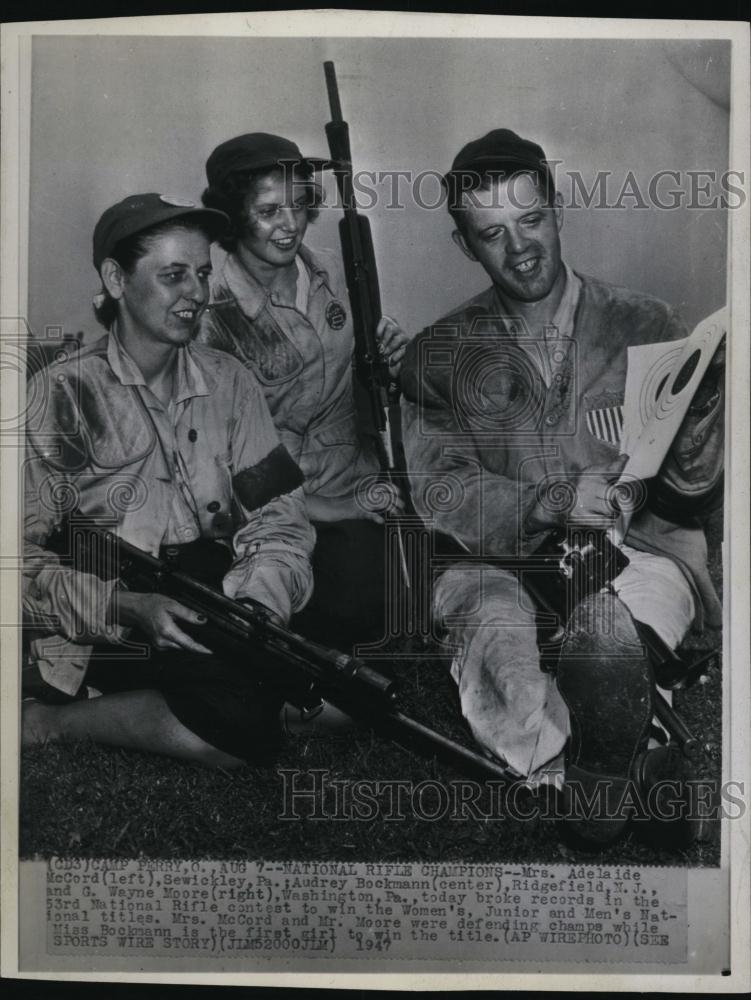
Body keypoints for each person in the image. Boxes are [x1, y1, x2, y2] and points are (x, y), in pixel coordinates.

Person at [399, 130, 725, 843]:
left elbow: (691, 491)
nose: (519, 248)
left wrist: (702, 425)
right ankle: (625, 762)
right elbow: (439, 490)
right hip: (497, 563)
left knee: (614, 623)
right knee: (498, 650)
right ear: (465, 246)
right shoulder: (435, 356)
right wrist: (545, 501)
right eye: (491, 233)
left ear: (557, 208)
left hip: (631, 549)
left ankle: (602, 721)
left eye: (531, 219)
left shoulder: (650, 325)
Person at [22, 193, 315, 768]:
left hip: (216, 592)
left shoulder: (231, 382)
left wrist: (259, 603)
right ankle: (47, 722)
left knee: (342, 689)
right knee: (234, 735)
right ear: (114, 279)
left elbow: (280, 514)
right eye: (174, 275)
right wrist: (128, 606)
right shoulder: (57, 398)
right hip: (107, 614)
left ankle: (222, 692)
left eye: (203, 274)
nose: (198, 294)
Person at [197, 133, 410, 650]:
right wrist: (336, 510)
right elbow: (215, 461)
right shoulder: (209, 316)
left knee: (399, 599)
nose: (289, 224)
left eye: (297, 205)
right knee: (353, 612)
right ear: (231, 217)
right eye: (269, 211)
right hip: (265, 507)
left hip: (352, 478)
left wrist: (387, 355)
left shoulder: (332, 274)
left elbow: (351, 384)